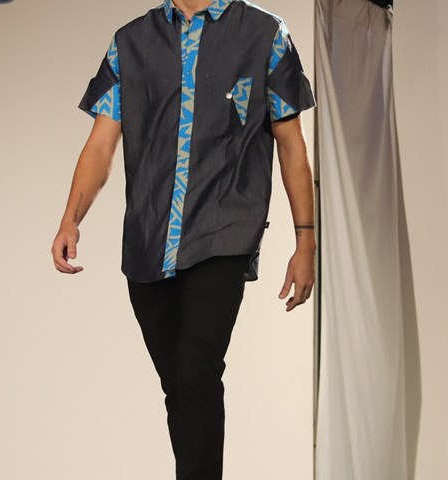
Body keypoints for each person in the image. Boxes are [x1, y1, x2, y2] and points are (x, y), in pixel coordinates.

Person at [51, 0, 316, 478]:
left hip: (224, 234)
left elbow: (290, 141)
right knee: (180, 388)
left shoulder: (264, 34)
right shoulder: (130, 43)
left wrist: (306, 241)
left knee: (195, 376)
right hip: (148, 243)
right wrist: (71, 219)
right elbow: (101, 143)